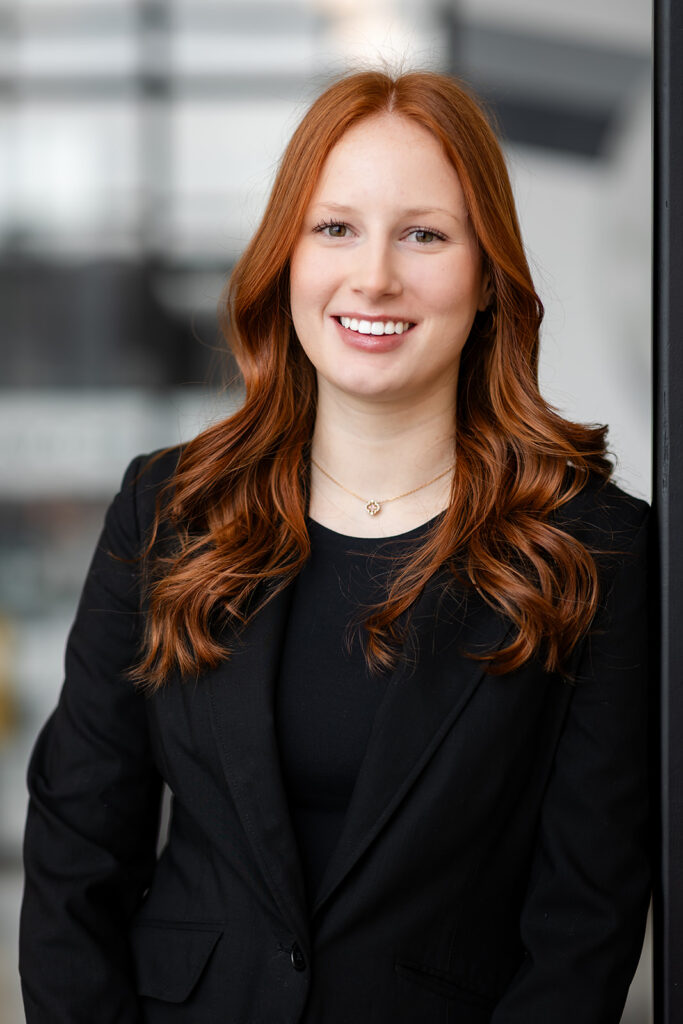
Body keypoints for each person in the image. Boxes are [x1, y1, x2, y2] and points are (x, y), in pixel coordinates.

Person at [19, 69, 650, 1024]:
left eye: (424, 235)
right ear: (287, 259)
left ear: (487, 276)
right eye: (335, 228)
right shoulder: (168, 510)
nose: (374, 276)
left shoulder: (590, 548)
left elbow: (584, 919)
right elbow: (76, 852)